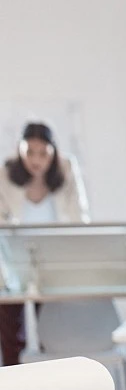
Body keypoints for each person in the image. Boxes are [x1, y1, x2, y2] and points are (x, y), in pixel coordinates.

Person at [0, 122, 90, 366]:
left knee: (52, 335)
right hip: (13, 266)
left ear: (53, 152)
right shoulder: (6, 175)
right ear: (20, 151)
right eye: (29, 152)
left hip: (52, 267)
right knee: (11, 336)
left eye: (43, 153)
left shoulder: (66, 171)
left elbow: (79, 219)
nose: (36, 160)